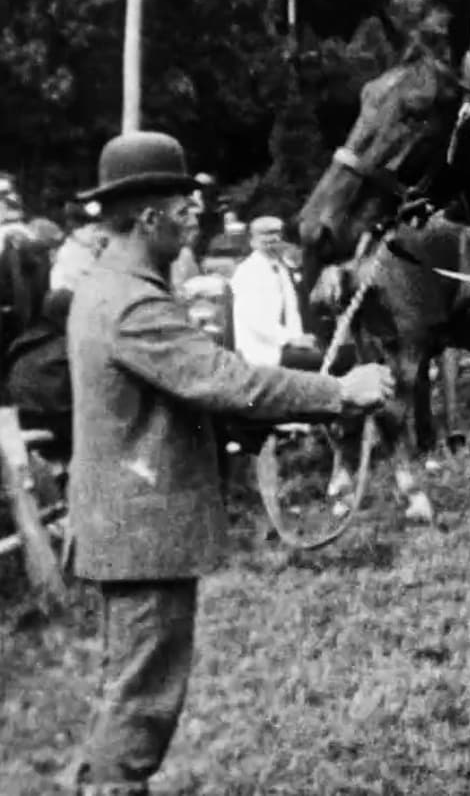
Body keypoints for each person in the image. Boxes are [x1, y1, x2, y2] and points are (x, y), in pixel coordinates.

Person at [62, 130, 394, 796]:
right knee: (140, 701)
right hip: (141, 533)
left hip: (129, 527)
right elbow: (227, 381)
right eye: (184, 205)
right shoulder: (131, 303)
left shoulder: (113, 287)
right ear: (148, 216)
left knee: (130, 690)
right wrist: (340, 392)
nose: (197, 215)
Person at [231, 214, 317, 369]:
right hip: (261, 350)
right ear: (253, 242)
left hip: (284, 345)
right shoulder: (248, 271)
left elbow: (292, 310)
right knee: (324, 360)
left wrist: (299, 337)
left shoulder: (281, 267)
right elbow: (255, 320)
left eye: (276, 236)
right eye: (265, 238)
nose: (272, 242)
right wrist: (291, 339)